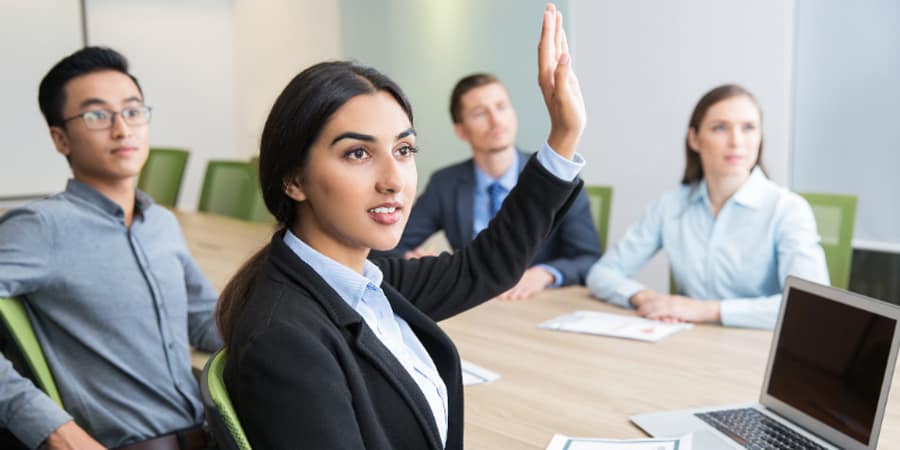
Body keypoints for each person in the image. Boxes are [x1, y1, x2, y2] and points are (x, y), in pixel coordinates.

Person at [217, 4, 584, 449]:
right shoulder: (286, 341)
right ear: (294, 179)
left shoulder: (364, 283)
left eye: (405, 150)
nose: (393, 181)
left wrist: (562, 135)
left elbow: (484, 267)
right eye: (358, 153)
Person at [0, 47, 220, 450]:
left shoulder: (162, 224)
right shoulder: (41, 228)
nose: (122, 129)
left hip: (209, 434)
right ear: (60, 138)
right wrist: (52, 429)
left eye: (133, 111)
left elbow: (204, 321)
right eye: (97, 115)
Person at [586, 84, 829, 329]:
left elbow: (809, 306)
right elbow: (602, 273)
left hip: (758, 350)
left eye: (748, 128)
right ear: (694, 139)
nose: (736, 141)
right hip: (689, 343)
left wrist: (705, 310)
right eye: (720, 128)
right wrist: (646, 298)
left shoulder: (787, 210)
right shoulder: (670, 206)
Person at [373, 72, 601, 300]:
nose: (496, 121)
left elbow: (589, 258)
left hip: (538, 303)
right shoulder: (446, 183)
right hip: (476, 307)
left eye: (501, 107)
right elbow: (386, 247)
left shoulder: (557, 177)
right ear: (461, 130)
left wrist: (546, 273)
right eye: (480, 113)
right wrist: (410, 264)